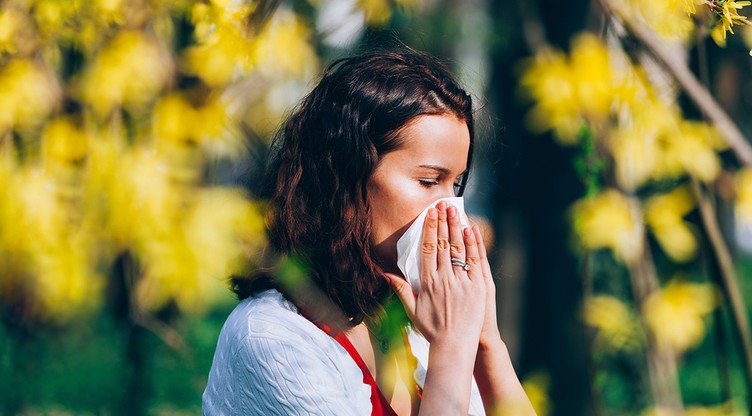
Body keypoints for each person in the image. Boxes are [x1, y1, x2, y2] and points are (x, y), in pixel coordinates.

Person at [202, 46, 535, 415]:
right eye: (428, 181)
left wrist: (486, 342)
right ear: (345, 177)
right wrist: (453, 348)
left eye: (455, 185)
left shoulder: (417, 324)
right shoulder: (273, 339)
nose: (452, 213)